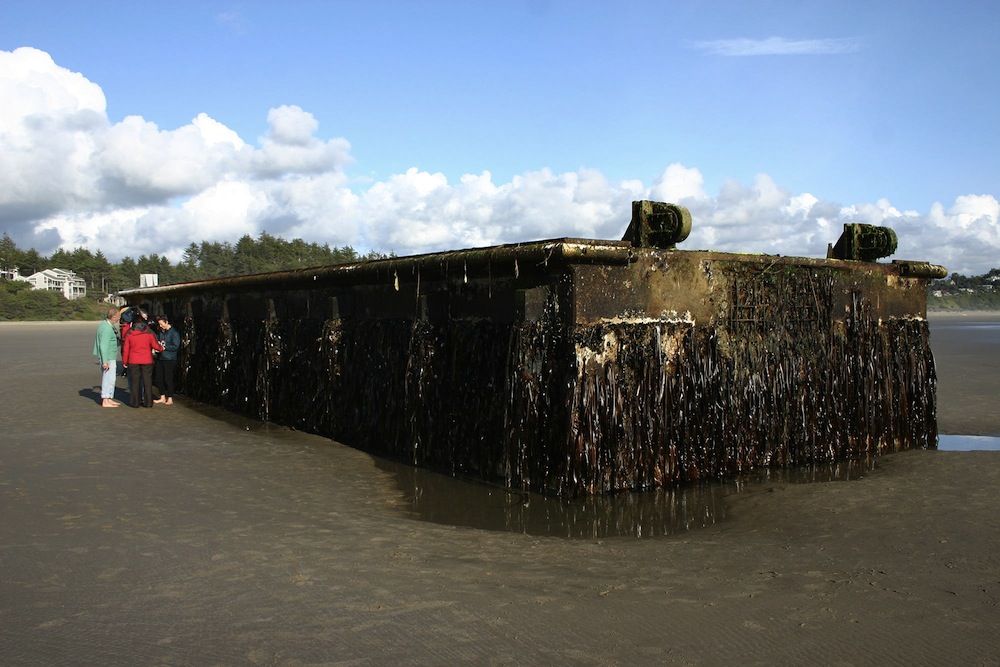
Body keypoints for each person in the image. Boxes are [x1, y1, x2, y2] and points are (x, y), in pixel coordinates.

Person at [122, 319, 163, 408]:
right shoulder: (149, 335)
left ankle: (135, 402)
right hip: (147, 360)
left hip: (133, 361)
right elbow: (155, 346)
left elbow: (126, 350)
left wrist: (125, 362)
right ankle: (148, 402)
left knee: (135, 382)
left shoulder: (129, 335)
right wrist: (161, 348)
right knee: (147, 382)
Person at [92, 307, 122, 408]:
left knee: (111, 379)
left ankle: (108, 398)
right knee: (107, 379)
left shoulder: (105, 324)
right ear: (113, 317)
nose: (119, 319)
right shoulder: (106, 328)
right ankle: (105, 400)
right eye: (118, 316)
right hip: (108, 357)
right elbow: (103, 345)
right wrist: (105, 361)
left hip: (109, 356)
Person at [153, 315, 181, 406]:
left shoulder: (174, 332)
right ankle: (162, 396)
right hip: (160, 358)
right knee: (158, 378)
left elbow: (176, 346)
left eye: (161, 324)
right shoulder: (160, 331)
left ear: (166, 322)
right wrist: (156, 347)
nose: (160, 326)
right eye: (159, 324)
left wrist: (164, 347)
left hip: (169, 359)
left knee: (168, 378)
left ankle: (170, 398)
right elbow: (157, 340)